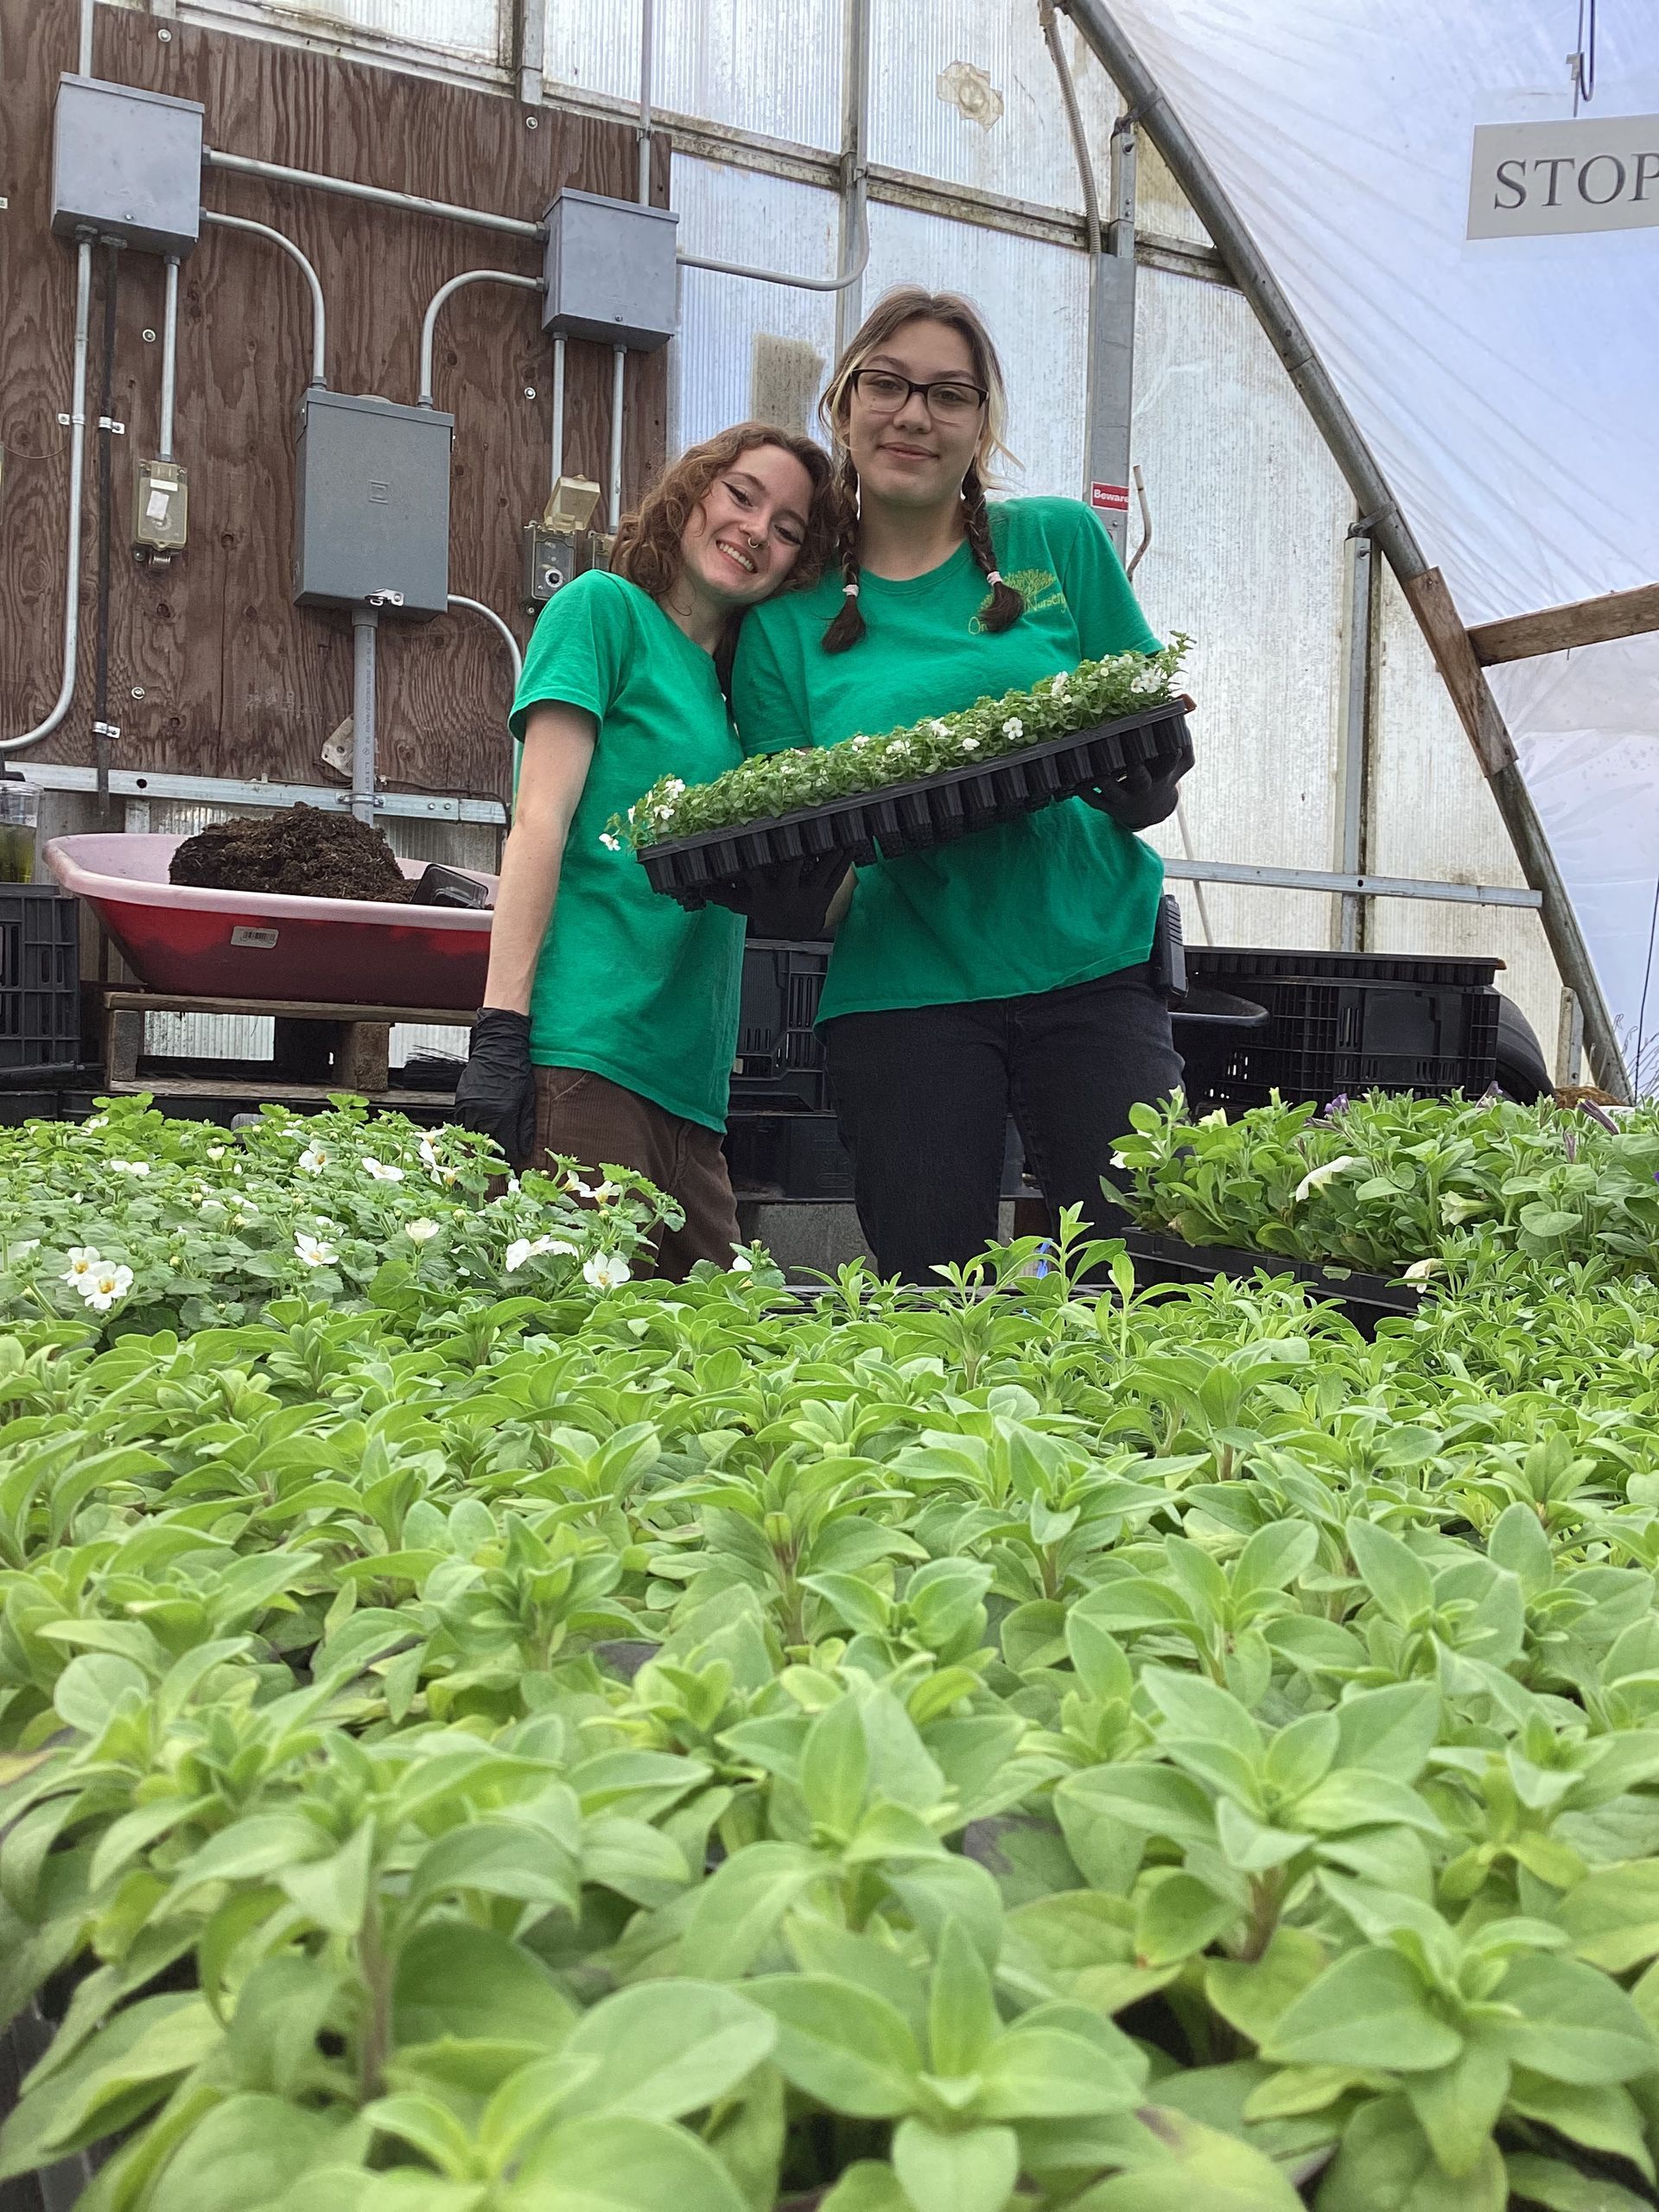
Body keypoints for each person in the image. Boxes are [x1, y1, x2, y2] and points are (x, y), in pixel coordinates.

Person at [730, 288, 1187, 1281]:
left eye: (948, 394)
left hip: (1092, 964)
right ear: (843, 407)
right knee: (936, 1301)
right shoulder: (785, 626)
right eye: (887, 385)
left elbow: (1142, 746)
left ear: (982, 424)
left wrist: (1143, 787)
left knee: (1144, 1277)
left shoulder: (1057, 544)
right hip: (907, 992)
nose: (914, 415)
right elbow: (810, 856)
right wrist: (809, 880)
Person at [455, 422, 835, 1279]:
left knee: (709, 1361)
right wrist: (501, 1030)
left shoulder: (740, 696)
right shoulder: (603, 611)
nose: (756, 530)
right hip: (588, 1050)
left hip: (690, 1082)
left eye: (787, 529)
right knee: (577, 1352)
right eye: (742, 495)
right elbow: (540, 822)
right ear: (693, 491)